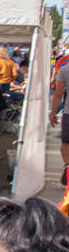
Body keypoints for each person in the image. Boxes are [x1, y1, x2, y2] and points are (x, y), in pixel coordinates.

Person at [51, 56, 69, 184]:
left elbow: (58, 94)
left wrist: (53, 112)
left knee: (66, 143)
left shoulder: (65, 70)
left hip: (68, 113)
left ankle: (67, 166)